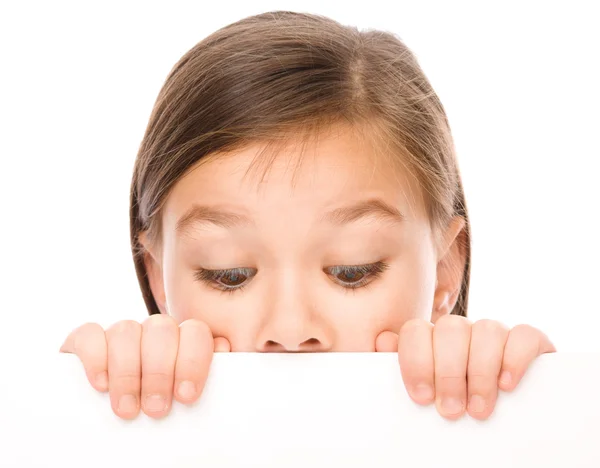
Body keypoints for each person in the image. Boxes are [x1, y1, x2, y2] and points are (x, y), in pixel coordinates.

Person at [59, 10, 555, 422]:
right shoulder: (113, 422)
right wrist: (77, 413)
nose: (291, 330)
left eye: (352, 271)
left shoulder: (510, 420)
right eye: (228, 275)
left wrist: (541, 415)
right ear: (158, 278)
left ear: (446, 268)